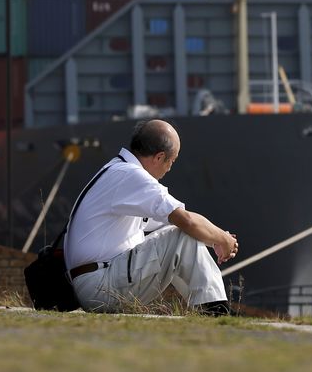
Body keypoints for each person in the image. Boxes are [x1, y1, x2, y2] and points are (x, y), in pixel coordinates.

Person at [64, 119, 239, 315]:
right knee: (181, 235)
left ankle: (209, 308)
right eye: (171, 161)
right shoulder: (131, 175)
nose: (170, 168)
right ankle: (216, 311)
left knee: (179, 233)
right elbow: (186, 221)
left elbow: (173, 224)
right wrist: (222, 239)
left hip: (95, 283)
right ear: (159, 157)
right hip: (101, 286)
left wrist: (212, 239)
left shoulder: (116, 170)